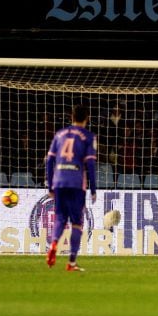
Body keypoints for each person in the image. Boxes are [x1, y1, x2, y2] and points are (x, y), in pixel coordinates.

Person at [45, 104, 97, 272]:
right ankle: (71, 263)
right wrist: (94, 189)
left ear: (71, 117)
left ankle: (53, 244)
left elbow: (49, 160)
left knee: (60, 218)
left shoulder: (59, 134)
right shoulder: (88, 136)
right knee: (76, 223)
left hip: (59, 180)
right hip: (76, 182)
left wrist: (50, 184)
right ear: (86, 118)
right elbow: (90, 163)